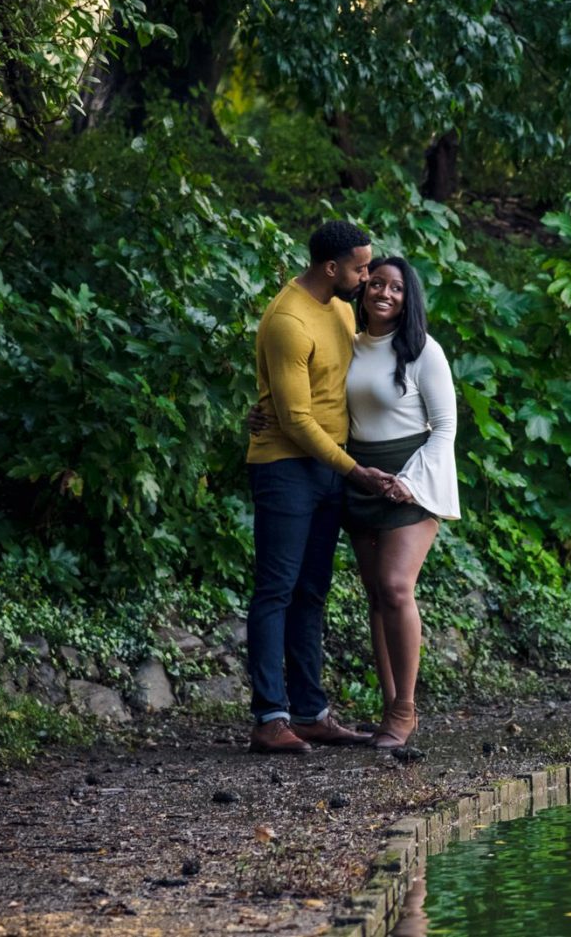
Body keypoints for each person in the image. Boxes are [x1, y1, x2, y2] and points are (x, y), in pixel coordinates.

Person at [244, 219, 406, 756]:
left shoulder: (340, 307)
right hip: (287, 468)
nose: (368, 277)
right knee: (276, 590)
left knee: (311, 591)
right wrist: (356, 472)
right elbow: (293, 418)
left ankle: (309, 713)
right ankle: (270, 718)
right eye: (362, 268)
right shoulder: (289, 320)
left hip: (328, 469)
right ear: (330, 267)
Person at [341, 256, 459, 752]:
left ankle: (405, 710)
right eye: (377, 284)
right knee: (374, 596)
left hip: (413, 480)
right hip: (359, 475)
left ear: (408, 298)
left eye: (397, 288)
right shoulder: (346, 342)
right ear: (363, 287)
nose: (385, 293)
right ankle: (388, 707)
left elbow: (446, 428)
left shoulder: (422, 351)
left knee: (394, 588)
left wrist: (408, 483)